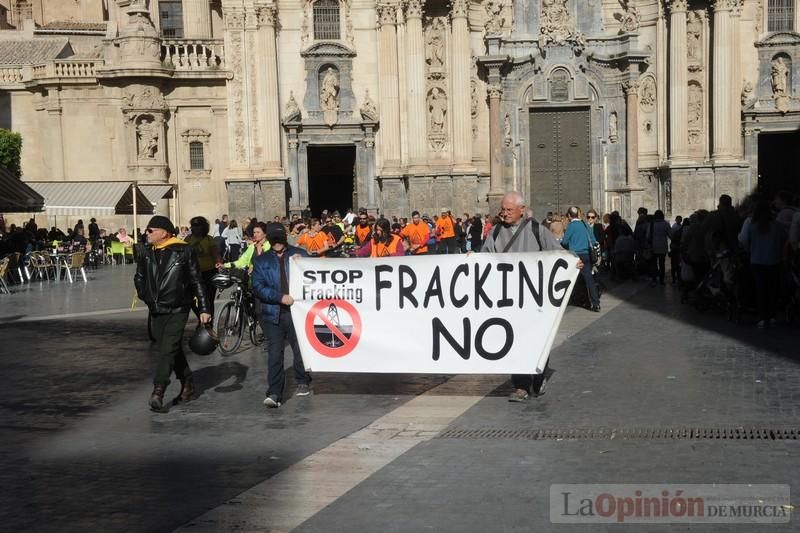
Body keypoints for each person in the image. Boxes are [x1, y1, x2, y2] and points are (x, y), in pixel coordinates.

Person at [482, 191, 580, 403]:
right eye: (503, 209)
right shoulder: (496, 232)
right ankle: (520, 385)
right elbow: (484, 257)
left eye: (509, 210)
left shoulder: (537, 230)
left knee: (537, 339)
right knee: (515, 341)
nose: (504, 213)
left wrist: (573, 261)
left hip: (535, 299)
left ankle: (538, 376)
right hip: (508, 299)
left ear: (522, 210)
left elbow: (557, 253)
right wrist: (472, 259)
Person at [134, 215, 211, 411]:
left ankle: (158, 391)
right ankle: (188, 382)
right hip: (156, 308)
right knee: (171, 349)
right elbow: (139, 277)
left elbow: (196, 280)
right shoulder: (146, 252)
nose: (147, 233)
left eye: (150, 230)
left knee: (167, 349)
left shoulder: (184, 250)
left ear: (164, 232)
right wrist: (146, 295)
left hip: (178, 307)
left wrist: (204, 307)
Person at [252, 222, 311, 408]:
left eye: (280, 240)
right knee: (275, 353)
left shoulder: (299, 253)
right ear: (270, 241)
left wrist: (304, 262)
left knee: (299, 347)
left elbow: (314, 273)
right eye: (274, 240)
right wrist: (279, 297)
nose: (277, 244)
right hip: (272, 312)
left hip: (297, 311)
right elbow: (258, 287)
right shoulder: (261, 261)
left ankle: (303, 379)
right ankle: (275, 392)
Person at [739, 201, 787, 328]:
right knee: (772, 289)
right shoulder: (778, 226)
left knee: (760, 290)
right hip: (774, 260)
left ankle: (761, 317)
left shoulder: (751, 225)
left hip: (756, 260)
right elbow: (784, 240)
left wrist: (750, 249)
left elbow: (743, 239)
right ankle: (772, 316)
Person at [561, 206, 601, 311]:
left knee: (572, 278)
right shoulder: (584, 224)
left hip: (575, 256)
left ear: (569, 216)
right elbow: (592, 240)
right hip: (587, 255)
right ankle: (595, 303)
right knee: (589, 279)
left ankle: (574, 299)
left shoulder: (571, 226)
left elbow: (564, 241)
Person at [184, 216, 222, 318]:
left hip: (209, 272)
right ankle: (201, 318)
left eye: (196, 225)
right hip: (193, 274)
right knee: (191, 299)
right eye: (192, 225)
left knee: (209, 299)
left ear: (203, 227)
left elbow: (216, 254)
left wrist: (219, 262)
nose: (193, 227)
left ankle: (208, 322)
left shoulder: (209, 239)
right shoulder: (188, 239)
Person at [646, 210, 672, 286]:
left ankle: (654, 279)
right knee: (662, 264)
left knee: (654, 264)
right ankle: (661, 280)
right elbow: (670, 235)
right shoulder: (666, 224)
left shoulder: (652, 224)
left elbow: (647, 236)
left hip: (653, 247)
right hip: (663, 247)